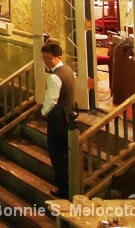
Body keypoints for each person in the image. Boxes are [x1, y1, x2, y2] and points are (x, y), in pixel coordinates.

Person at [41, 41, 76, 198]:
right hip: (68, 115)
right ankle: (68, 185)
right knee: (64, 153)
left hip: (57, 119)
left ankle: (64, 189)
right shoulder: (68, 70)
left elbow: (51, 100)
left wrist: (43, 111)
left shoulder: (54, 77)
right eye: (43, 58)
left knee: (57, 154)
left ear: (57, 57)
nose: (45, 61)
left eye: (48, 58)